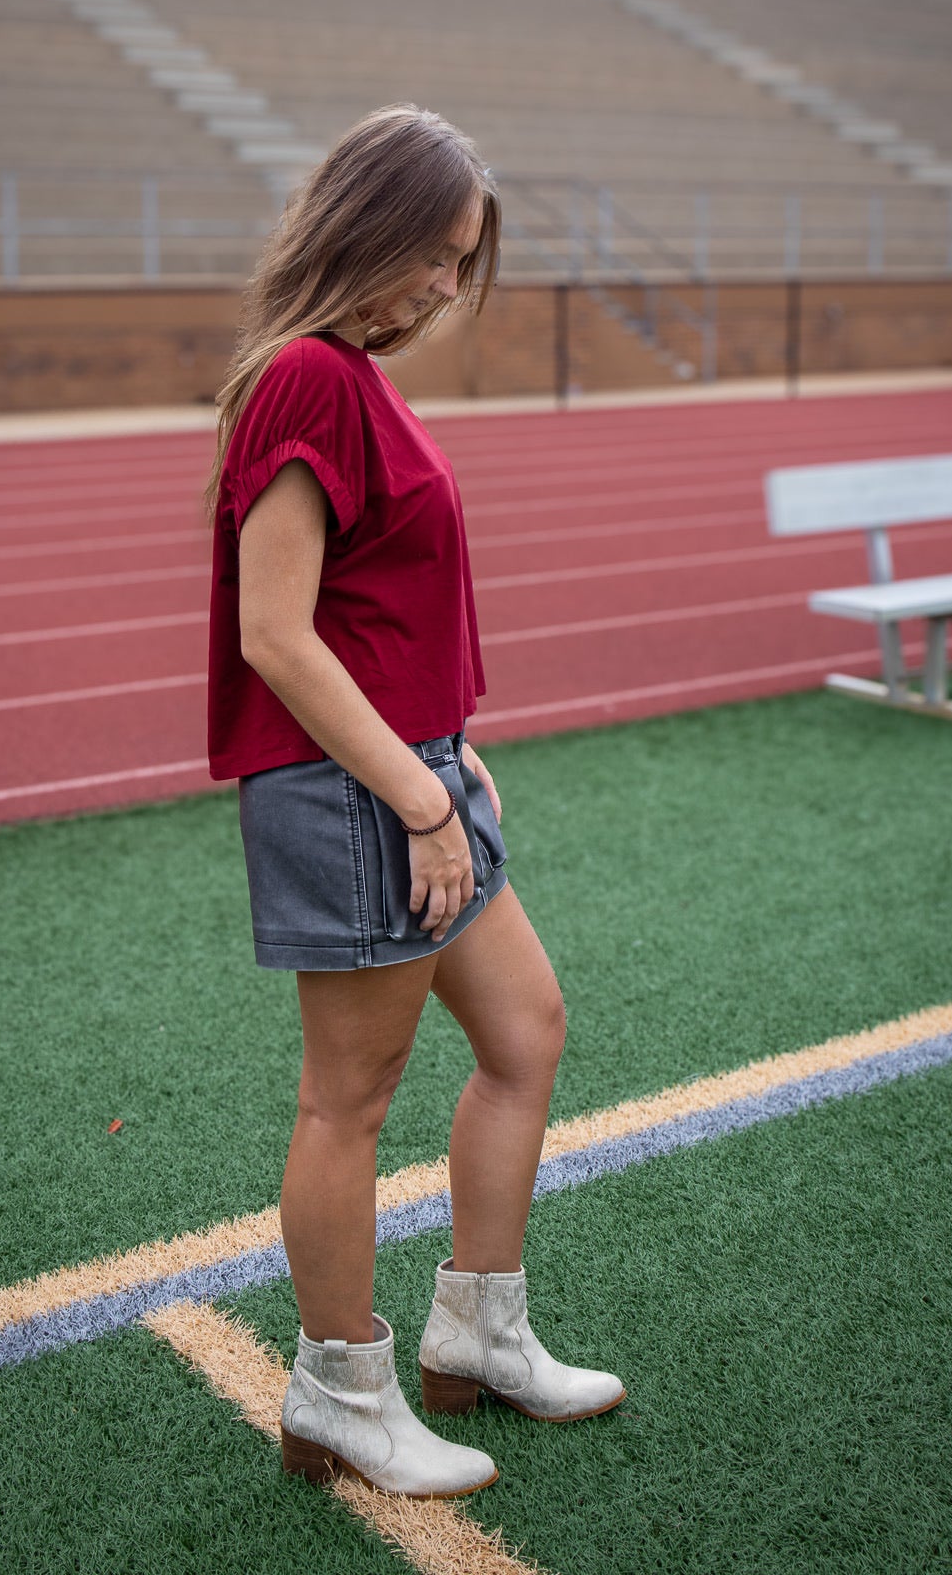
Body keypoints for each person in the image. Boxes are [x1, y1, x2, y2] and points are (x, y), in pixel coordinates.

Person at [206, 104, 624, 1500]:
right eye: (437, 256)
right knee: (351, 1099)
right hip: (356, 795)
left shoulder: (353, 380)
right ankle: (339, 1392)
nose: (449, 288)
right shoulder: (307, 379)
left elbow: (381, 601)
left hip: (413, 769)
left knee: (525, 1033)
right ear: (367, 228)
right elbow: (278, 630)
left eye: (462, 262)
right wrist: (416, 793)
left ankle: (476, 1334)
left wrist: (451, 747)